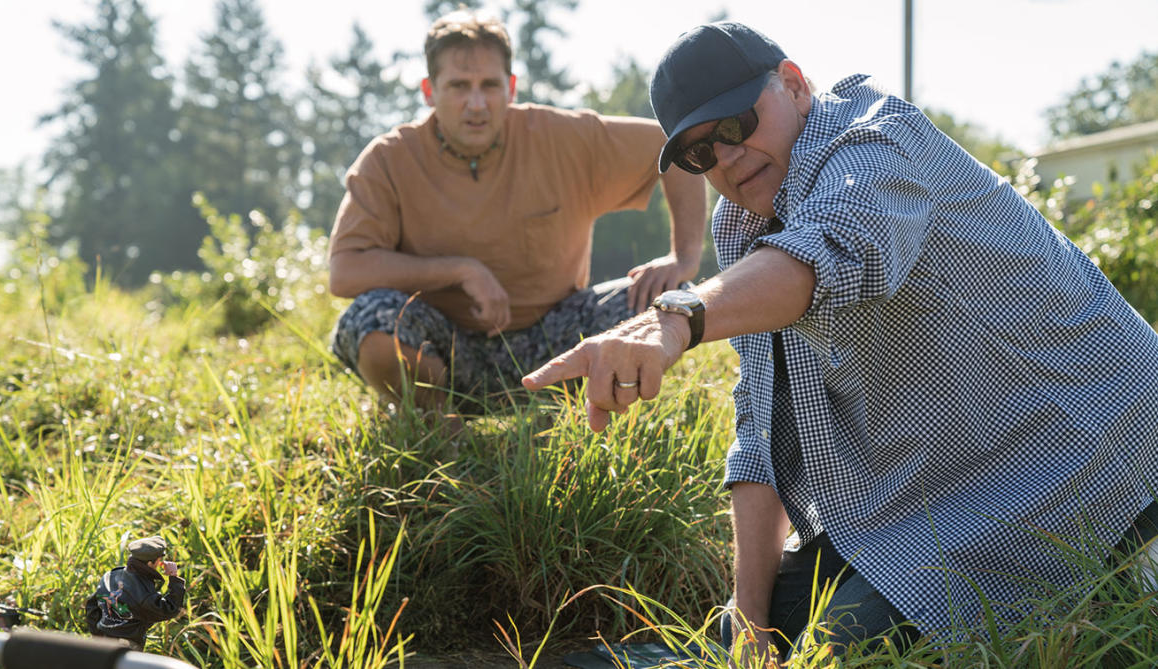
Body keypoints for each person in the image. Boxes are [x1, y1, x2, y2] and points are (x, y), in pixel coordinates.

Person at [523, 21, 1158, 661]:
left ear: (795, 86)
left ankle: (1116, 589)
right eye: (699, 153)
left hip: (1088, 448)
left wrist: (677, 319)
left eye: (737, 125)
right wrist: (749, 619)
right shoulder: (742, 222)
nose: (726, 157)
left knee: (840, 648)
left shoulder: (879, 138)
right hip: (944, 489)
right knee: (745, 629)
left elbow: (830, 248)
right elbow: (761, 426)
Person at [328, 9, 706, 414]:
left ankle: (589, 420)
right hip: (440, 347)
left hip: (558, 340)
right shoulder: (389, 160)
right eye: (458, 85)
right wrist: (460, 270)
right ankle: (442, 429)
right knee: (368, 318)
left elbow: (671, 147)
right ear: (428, 90)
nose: (476, 103)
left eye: (489, 85)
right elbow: (346, 272)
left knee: (668, 304)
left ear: (510, 87)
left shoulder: (561, 138)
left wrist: (682, 258)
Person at [85, 536, 186, 650]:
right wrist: (174, 578)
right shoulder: (144, 593)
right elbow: (169, 609)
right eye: (158, 560)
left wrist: (97, 634)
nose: (160, 564)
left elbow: (92, 606)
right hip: (126, 646)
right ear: (149, 563)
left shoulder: (110, 575)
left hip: (101, 640)